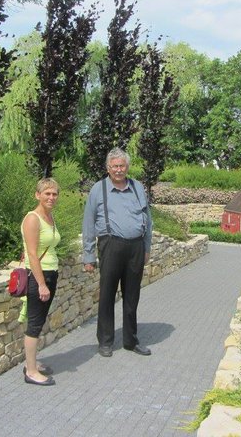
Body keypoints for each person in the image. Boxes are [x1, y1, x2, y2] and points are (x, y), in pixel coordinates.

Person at [83, 148, 153, 357]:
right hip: (110, 246)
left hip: (136, 247)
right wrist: (88, 255)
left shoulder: (137, 187)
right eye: (115, 166)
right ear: (108, 168)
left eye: (122, 166)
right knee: (107, 295)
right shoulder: (98, 189)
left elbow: (148, 219)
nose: (119, 170)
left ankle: (131, 340)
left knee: (132, 296)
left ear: (127, 167)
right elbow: (88, 223)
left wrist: (146, 247)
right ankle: (105, 341)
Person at [21, 177, 61, 385]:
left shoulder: (49, 217)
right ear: (38, 195)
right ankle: (31, 371)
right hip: (39, 277)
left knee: (40, 320)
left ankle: (33, 363)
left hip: (50, 273)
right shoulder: (33, 219)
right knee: (35, 324)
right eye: (47, 193)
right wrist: (42, 284)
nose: (51, 197)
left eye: (54, 194)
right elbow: (32, 254)